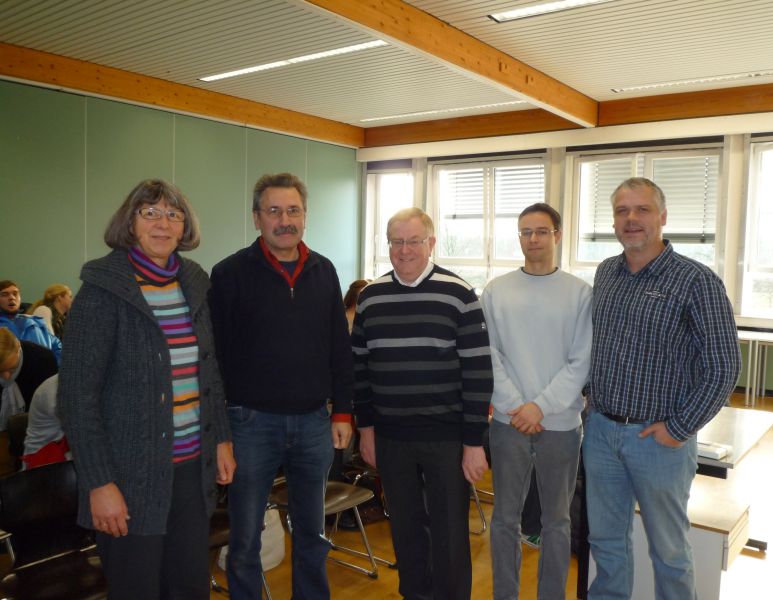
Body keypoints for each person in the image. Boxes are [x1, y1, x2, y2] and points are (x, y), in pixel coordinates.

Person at [57, 179, 236, 599]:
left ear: (184, 226)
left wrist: (222, 439)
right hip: (128, 477)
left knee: (190, 587)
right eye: (149, 213)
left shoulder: (194, 282)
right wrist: (99, 483)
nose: (163, 223)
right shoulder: (102, 290)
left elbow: (208, 373)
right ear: (130, 222)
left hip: (192, 471)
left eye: (173, 214)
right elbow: (77, 398)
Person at [584, 177, 741, 600]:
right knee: (606, 545)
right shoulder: (606, 273)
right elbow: (600, 346)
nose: (631, 219)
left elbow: (724, 366)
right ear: (614, 222)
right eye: (622, 211)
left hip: (658, 441)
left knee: (669, 551)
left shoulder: (696, 280)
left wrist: (679, 426)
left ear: (663, 217)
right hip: (600, 433)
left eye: (642, 210)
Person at [209, 172, 353, 600]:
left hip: (314, 423)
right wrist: (221, 433)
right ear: (257, 218)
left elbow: (338, 348)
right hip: (250, 424)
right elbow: (213, 360)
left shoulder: (324, 271)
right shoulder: (230, 273)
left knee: (313, 535)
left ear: (305, 217)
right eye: (274, 211)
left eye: (293, 211)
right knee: (246, 539)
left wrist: (342, 410)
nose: (284, 220)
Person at [352, 207, 493, 600]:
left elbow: (479, 373)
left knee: (449, 534)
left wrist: (474, 442)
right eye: (397, 241)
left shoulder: (459, 294)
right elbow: (359, 370)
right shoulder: (370, 298)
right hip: (391, 437)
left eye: (414, 240)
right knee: (406, 530)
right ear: (388, 245)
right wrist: (366, 430)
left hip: (446, 438)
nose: (405, 250)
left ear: (431, 243)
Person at [481, 203, 591, 600]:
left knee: (557, 522)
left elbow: (581, 361)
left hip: (560, 425)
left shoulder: (579, 293)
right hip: (508, 423)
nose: (533, 239)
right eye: (526, 232)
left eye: (541, 231)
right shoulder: (496, 291)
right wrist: (517, 405)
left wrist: (540, 407)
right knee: (505, 519)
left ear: (557, 235)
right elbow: (488, 354)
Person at [0, 328, 59, 473]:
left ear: (18, 349)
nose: (7, 377)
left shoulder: (42, 360)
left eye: (12, 368)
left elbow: (48, 420)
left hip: (37, 429)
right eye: (0, 371)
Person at [0, 280, 62, 363]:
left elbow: (57, 346)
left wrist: (53, 368)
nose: (12, 297)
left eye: (15, 293)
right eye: (5, 294)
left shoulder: (36, 322)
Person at [22, 374, 70, 469]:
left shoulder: (66, 381)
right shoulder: (55, 391)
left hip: (61, 449)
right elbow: (81, 432)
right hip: (41, 458)